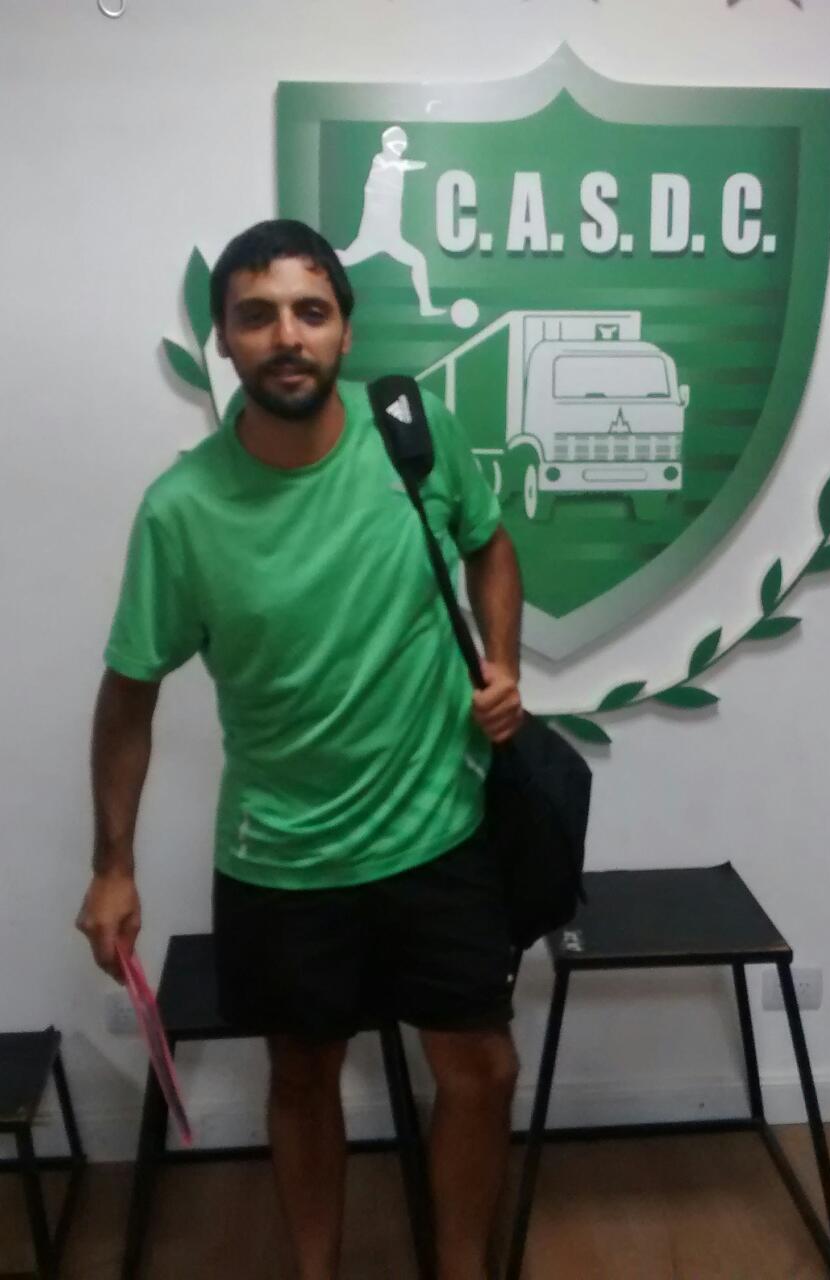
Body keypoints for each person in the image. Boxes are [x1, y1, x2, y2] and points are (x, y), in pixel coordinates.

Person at [76, 219, 524, 1280]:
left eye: (310, 311)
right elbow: (129, 697)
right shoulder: (182, 510)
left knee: (480, 1067)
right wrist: (112, 865)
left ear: (345, 332)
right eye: (257, 315)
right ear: (225, 339)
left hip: (438, 830)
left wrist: (502, 661)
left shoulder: (414, 433)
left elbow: (491, 544)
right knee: (302, 1075)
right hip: (282, 856)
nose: (287, 335)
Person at [338, 125, 446, 317]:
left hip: (392, 237)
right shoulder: (380, 161)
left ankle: (426, 307)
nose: (400, 148)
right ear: (385, 144)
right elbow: (400, 164)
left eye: (402, 144)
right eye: (396, 143)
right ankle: (318, 255)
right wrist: (427, 164)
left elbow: (402, 165)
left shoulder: (396, 168)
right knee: (345, 259)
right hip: (371, 235)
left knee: (418, 261)